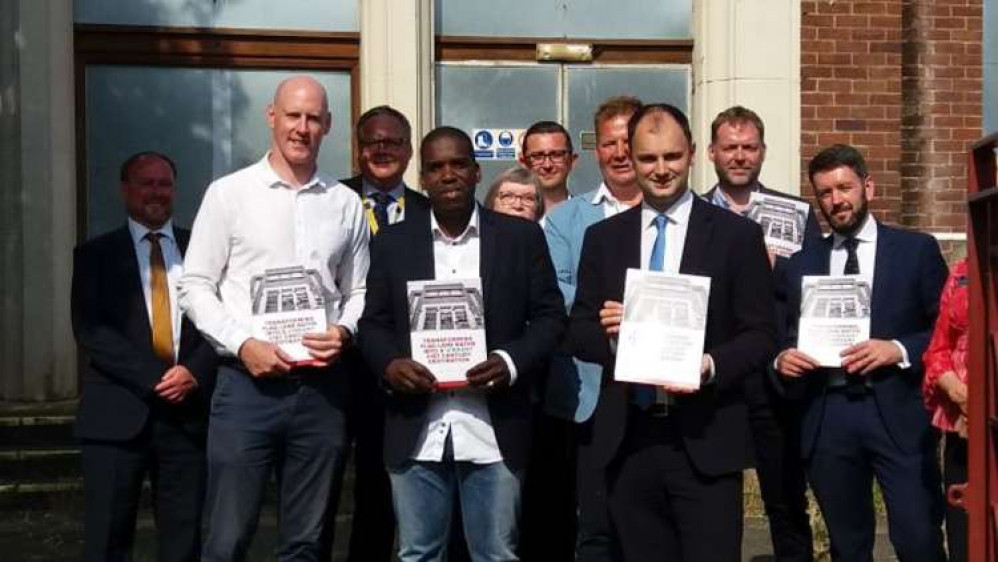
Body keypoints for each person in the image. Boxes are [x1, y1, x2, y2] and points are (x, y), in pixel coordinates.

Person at [569, 103, 776, 562]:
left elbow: (761, 335)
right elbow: (577, 330)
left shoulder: (737, 236)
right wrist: (611, 336)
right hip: (630, 436)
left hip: (705, 438)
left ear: (693, 154)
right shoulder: (605, 239)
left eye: (672, 157)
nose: (661, 170)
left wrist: (709, 365)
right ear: (631, 157)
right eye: (648, 159)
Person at [179, 75, 370, 561]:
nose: (302, 128)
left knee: (306, 541)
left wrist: (345, 330)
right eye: (293, 115)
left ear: (327, 125)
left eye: (313, 118)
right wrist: (243, 344)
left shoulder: (345, 203)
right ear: (272, 116)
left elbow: (359, 289)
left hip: (321, 391)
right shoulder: (229, 194)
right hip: (246, 388)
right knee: (227, 537)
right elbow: (195, 285)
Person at [358, 126, 566, 562]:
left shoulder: (519, 238)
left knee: (496, 553)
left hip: (494, 429)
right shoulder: (393, 243)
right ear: (423, 178)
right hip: (418, 429)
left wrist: (510, 361)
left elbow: (550, 318)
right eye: (436, 167)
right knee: (418, 554)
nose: (448, 175)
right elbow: (373, 324)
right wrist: (391, 364)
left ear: (475, 172)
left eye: (458, 165)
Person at [775, 144, 948, 562]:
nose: (837, 200)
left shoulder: (915, 251)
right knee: (848, 545)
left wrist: (899, 348)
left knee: (918, 538)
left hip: (896, 408)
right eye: (825, 193)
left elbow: (947, 331)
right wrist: (782, 358)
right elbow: (778, 335)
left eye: (844, 187)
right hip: (828, 412)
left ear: (867, 186)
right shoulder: (799, 264)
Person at [72, 151, 218, 562]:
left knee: (183, 540)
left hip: (187, 418)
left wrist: (193, 371)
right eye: (146, 183)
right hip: (117, 417)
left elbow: (224, 320)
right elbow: (91, 331)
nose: (156, 192)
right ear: (125, 190)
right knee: (107, 539)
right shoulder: (94, 255)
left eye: (164, 184)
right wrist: (157, 377)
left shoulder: (202, 250)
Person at [703, 105, 817, 562]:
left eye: (749, 147)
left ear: (763, 152)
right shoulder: (692, 214)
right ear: (711, 152)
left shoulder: (796, 213)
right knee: (714, 497)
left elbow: (812, 291)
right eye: (730, 147)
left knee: (785, 496)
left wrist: (775, 272)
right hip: (717, 372)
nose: (739, 156)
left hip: (776, 376)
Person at [321, 105, 428, 562]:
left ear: (407, 151)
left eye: (392, 142)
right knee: (320, 497)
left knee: (383, 494)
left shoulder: (429, 210)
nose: (382, 149)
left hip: (401, 374)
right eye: (372, 142)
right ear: (357, 149)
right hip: (334, 371)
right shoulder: (330, 202)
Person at [543, 95, 642, 562]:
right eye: (609, 143)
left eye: (628, 141)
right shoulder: (565, 220)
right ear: (596, 151)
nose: (620, 152)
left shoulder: (685, 214)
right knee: (596, 523)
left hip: (665, 390)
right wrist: (609, 311)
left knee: (653, 522)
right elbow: (555, 292)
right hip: (593, 389)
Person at [923, 258, 970, 562]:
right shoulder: (962, 272)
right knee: (964, 540)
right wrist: (957, 390)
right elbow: (938, 348)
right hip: (963, 428)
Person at [519, 120, 578, 219]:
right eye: (537, 156)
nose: (547, 165)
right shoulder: (508, 219)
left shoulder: (589, 217)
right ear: (523, 163)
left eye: (556, 155)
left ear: (572, 161)